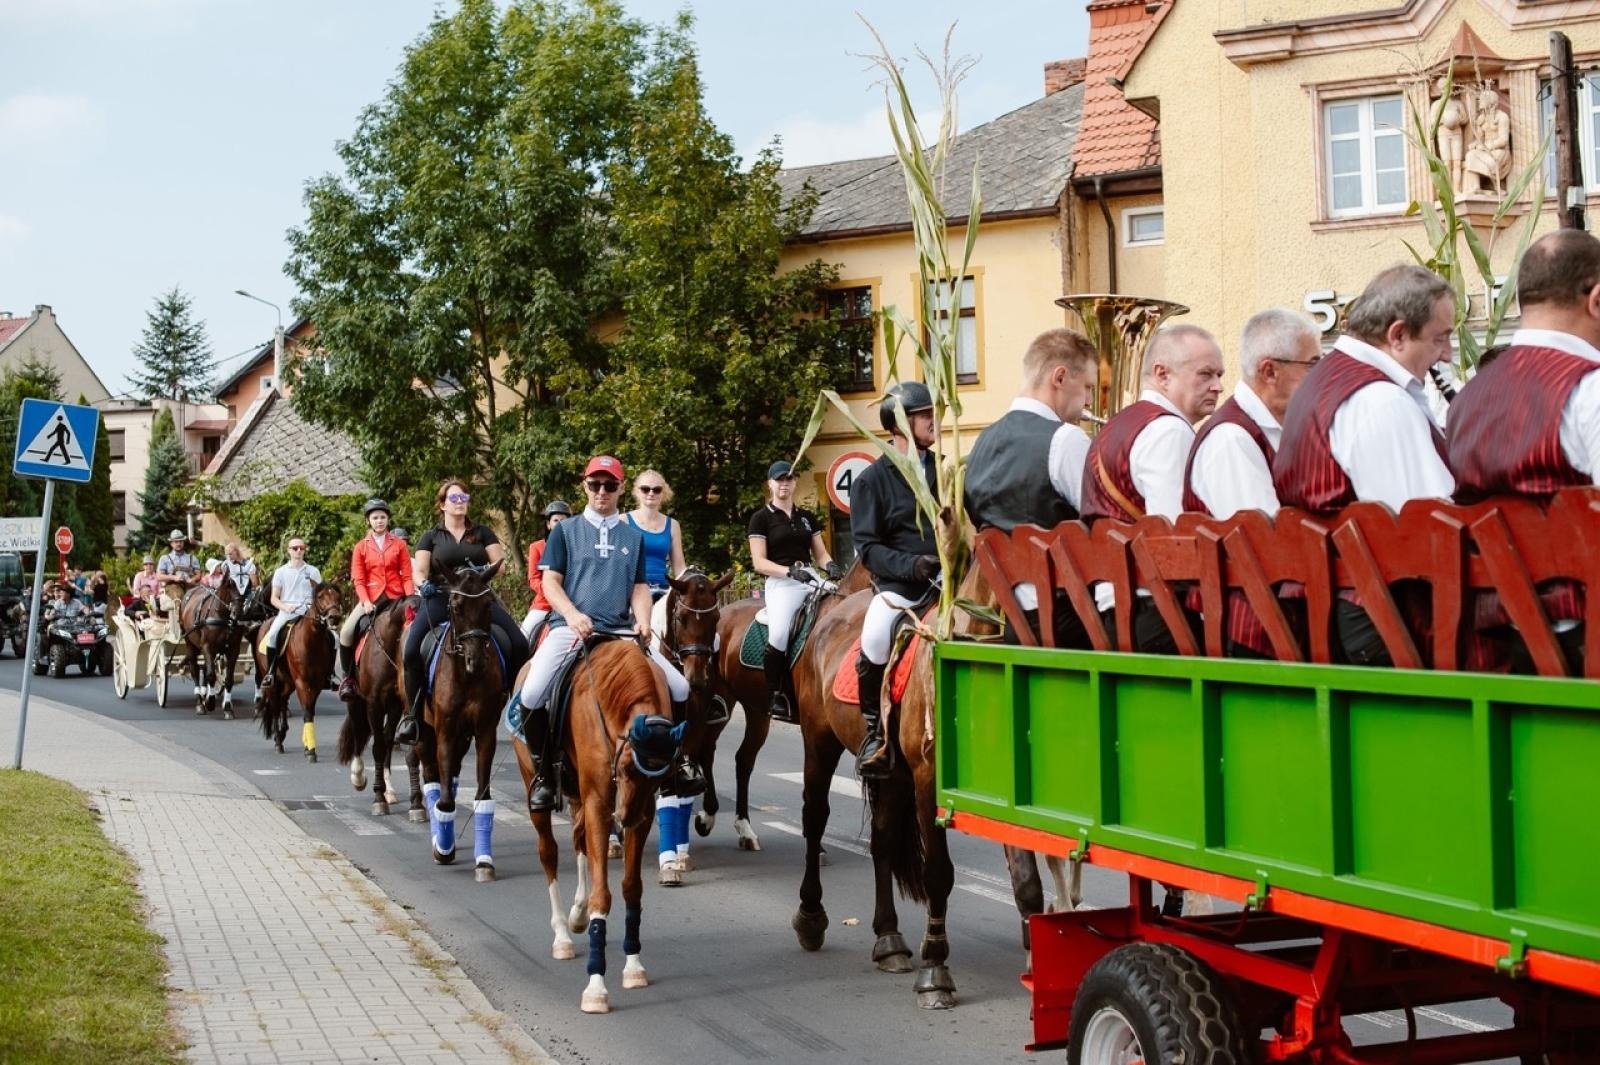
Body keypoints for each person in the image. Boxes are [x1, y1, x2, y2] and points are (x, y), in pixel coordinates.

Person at [1273, 263, 1456, 665]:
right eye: (1440, 338)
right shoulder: (1379, 399)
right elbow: (1426, 526)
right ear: (1398, 335)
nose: (1445, 353)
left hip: (1347, 609)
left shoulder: (1328, 381)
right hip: (1387, 619)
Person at [509, 456, 698, 813]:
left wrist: (643, 621)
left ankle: (678, 763)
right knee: (532, 693)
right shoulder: (566, 531)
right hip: (572, 628)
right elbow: (550, 582)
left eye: (610, 485)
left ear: (621, 488)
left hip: (620, 630)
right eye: (595, 484)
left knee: (680, 686)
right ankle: (545, 776)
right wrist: (571, 614)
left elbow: (640, 586)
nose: (602, 492)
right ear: (585, 485)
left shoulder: (632, 536)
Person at [1448, 229, 1600, 670]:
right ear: (1595, 301)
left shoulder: (1469, 397)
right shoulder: (1590, 388)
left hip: (1491, 636)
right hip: (1581, 637)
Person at [1181, 310, 1321, 658]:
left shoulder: (1268, 428)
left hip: (1275, 626)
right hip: (1255, 634)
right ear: (1270, 371)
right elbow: (1268, 545)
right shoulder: (1231, 438)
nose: (1321, 377)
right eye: (1313, 365)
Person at [1079, 324, 1224, 652]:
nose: (1218, 386)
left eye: (1219, 375)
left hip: (1121, 607)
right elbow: (1175, 538)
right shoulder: (1169, 431)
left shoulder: (1116, 425)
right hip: (1159, 613)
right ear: (1162, 374)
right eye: (1205, 374)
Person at [964, 327, 1096, 648]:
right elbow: (1105, 532)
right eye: (1088, 387)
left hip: (1012, 623)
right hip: (1075, 625)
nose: (1090, 401)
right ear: (1060, 377)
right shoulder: (1066, 439)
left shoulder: (981, 443)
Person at [849, 382, 941, 779]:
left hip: (949, 584)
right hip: (901, 588)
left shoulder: (944, 470)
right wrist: (912, 565)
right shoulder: (872, 480)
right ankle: (875, 733)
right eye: (924, 415)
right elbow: (868, 549)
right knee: (873, 633)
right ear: (901, 425)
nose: (933, 421)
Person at [395, 480, 530, 746]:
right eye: (454, 498)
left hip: (477, 597)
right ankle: (413, 716)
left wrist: (482, 572)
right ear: (443, 504)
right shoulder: (432, 536)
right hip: (442, 595)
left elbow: (499, 565)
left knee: (518, 643)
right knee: (411, 649)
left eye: (463, 497)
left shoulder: (482, 533)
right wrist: (425, 585)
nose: (460, 502)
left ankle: (517, 703)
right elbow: (420, 569)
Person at [748, 459, 839, 721]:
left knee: (840, 606)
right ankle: (775, 694)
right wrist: (788, 571)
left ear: (795, 482)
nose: (784, 484)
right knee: (778, 634)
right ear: (770, 484)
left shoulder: (806, 517)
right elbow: (759, 562)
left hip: (808, 577)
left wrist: (831, 566)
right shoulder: (761, 518)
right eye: (779, 479)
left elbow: (820, 554)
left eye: (788, 479)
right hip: (781, 581)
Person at [338, 498, 415, 701]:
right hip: (370, 598)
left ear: (388, 519)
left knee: (415, 630)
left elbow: (407, 575)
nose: (379, 521)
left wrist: (410, 599)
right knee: (346, 632)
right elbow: (359, 578)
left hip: (396, 597)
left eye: (382, 517)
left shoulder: (399, 545)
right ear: (368, 521)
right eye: (375, 517)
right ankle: (348, 679)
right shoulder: (360, 547)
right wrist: (364, 601)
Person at [625, 469, 687, 643]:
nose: (651, 493)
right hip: (633, 592)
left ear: (664, 493)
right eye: (645, 489)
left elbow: (679, 567)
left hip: (663, 591)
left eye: (657, 489)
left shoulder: (672, 525)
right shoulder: (623, 521)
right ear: (636, 491)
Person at [260, 538, 323, 685]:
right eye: (295, 548)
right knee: (272, 635)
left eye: (301, 548)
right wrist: (285, 607)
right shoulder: (280, 572)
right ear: (289, 550)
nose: (299, 551)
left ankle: (329, 674)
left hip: (309, 611)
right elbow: (274, 599)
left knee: (333, 638)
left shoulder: (313, 571)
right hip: (287, 611)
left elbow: (320, 595)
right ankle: (270, 673)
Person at [521, 500, 571, 640]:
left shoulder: (576, 549)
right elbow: (533, 579)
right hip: (543, 605)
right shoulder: (536, 547)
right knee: (522, 638)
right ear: (549, 524)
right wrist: (552, 592)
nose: (560, 524)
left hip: (571, 604)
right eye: (556, 520)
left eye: (563, 521)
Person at [155, 531, 199, 622]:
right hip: (173, 585)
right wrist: (174, 577)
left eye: (180, 541)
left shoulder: (191, 557)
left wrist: (192, 579)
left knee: (201, 596)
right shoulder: (165, 558)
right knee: (180, 597)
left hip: (189, 584)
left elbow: (199, 574)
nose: (178, 544)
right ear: (171, 544)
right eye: (176, 542)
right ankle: (182, 623)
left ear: (183, 542)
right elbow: (159, 576)